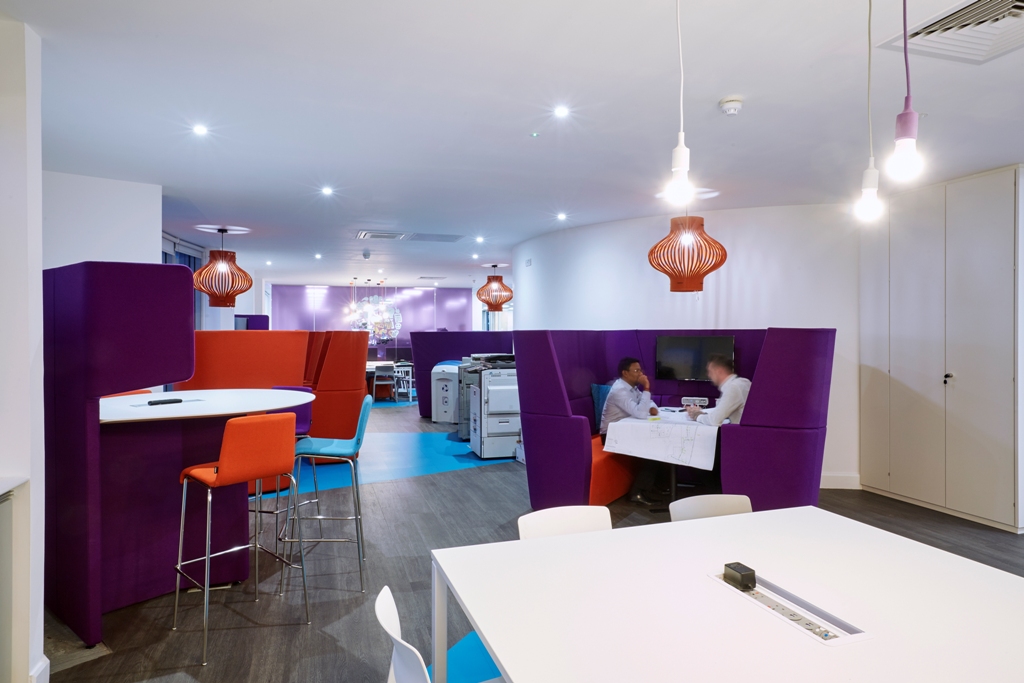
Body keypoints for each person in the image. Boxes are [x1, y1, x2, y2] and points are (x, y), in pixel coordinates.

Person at [600, 357, 661, 506]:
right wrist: (646, 387)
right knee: (652, 451)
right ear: (625, 373)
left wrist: (652, 407)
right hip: (610, 435)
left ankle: (649, 487)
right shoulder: (619, 390)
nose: (640, 374)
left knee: (659, 445)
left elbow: (646, 403)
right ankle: (637, 493)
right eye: (636, 370)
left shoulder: (631, 387)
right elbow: (640, 413)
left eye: (640, 370)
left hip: (627, 430)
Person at [684, 355, 751, 425]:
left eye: (710, 371)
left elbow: (715, 421)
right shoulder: (742, 382)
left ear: (719, 371)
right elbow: (720, 414)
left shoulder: (733, 388)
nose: (708, 375)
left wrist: (696, 416)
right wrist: (702, 414)